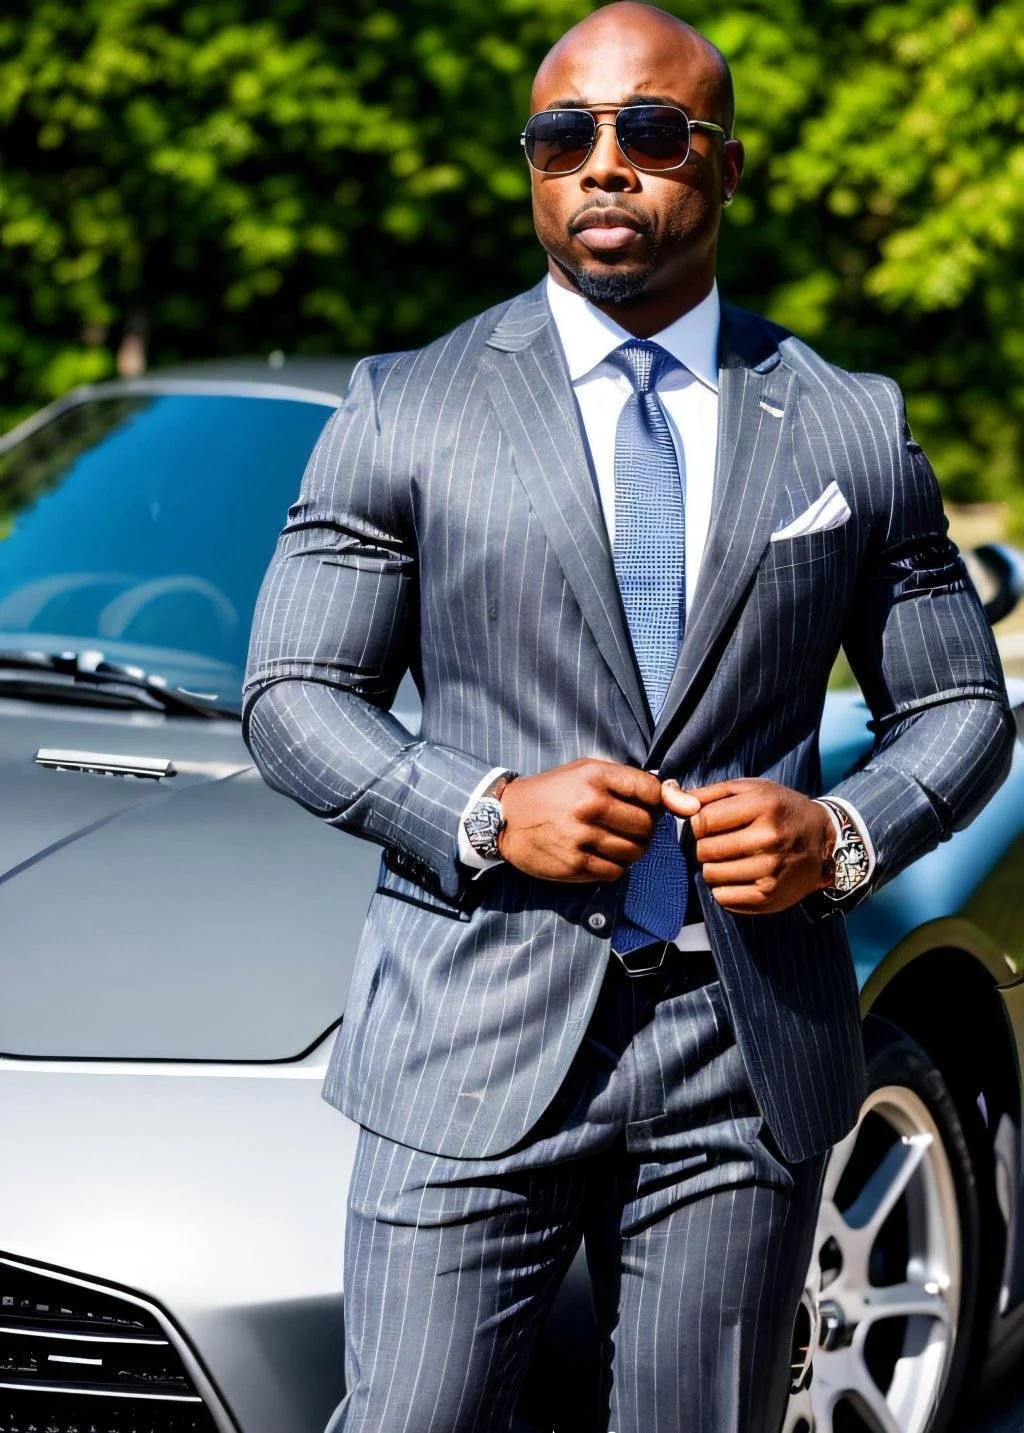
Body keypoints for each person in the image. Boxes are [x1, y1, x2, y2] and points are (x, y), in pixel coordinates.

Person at [242, 5, 1014, 1430]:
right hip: (469, 1038)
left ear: (726, 169)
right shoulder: (404, 408)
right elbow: (292, 697)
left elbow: (962, 709)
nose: (606, 165)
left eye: (651, 132)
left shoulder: (846, 421)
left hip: (743, 1043)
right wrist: (482, 811)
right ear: (533, 172)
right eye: (563, 137)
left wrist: (841, 835)